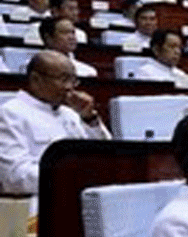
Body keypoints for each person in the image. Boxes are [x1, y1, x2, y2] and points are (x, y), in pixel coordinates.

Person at [0, 51, 111, 194]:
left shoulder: (70, 113)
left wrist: (89, 119)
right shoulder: (9, 113)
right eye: (64, 79)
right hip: (37, 202)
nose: (70, 87)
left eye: (73, 80)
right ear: (36, 79)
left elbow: (105, 153)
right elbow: (14, 178)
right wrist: (72, 174)